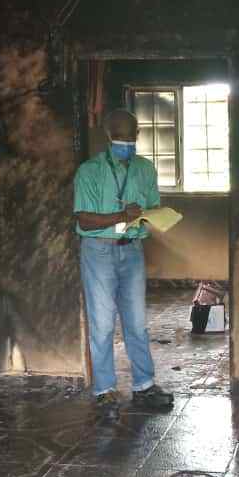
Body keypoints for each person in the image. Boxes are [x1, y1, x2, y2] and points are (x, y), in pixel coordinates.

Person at [74, 108, 174, 412]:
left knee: (137, 322)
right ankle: (104, 389)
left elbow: (152, 207)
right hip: (98, 251)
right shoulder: (89, 171)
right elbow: (83, 219)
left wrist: (151, 216)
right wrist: (121, 215)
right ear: (108, 135)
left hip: (131, 250)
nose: (126, 143)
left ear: (138, 134)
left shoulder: (145, 169)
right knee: (102, 324)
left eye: (130, 137)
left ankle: (144, 385)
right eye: (119, 137)